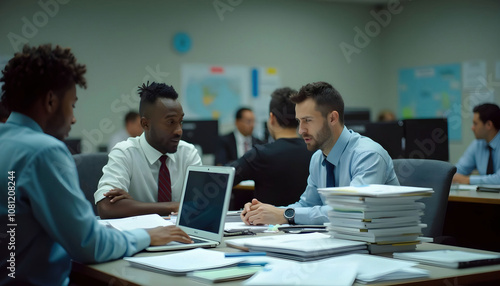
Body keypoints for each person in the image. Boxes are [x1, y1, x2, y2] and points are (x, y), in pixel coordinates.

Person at [0, 44, 192, 286]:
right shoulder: (44, 152)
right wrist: (147, 236)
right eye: (72, 105)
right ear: (50, 101)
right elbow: (88, 244)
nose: (73, 118)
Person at [240, 81, 399, 226]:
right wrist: (264, 213)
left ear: (332, 118)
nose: (301, 130)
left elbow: (351, 211)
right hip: (345, 244)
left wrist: (285, 215)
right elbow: (306, 205)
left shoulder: (368, 155)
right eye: (299, 121)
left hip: (386, 250)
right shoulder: (318, 158)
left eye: (308, 120)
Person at [95, 82, 202, 219]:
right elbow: (106, 207)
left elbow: (200, 205)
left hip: (183, 236)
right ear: (146, 124)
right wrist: (174, 206)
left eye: (180, 121)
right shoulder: (125, 152)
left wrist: (133, 204)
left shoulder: (188, 153)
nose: (179, 131)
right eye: (170, 122)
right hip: (140, 237)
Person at [230, 87, 313, 206]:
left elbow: (223, 178)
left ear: (272, 118)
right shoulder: (315, 153)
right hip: (308, 222)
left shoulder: (259, 155)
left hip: (269, 224)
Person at [453, 103, 500, 185]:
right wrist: (450, 174)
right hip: (484, 196)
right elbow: (460, 169)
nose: (472, 128)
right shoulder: (478, 144)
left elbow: (498, 179)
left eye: (475, 123)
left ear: (489, 125)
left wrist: (467, 180)